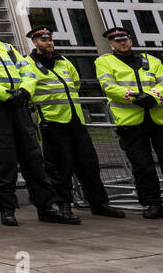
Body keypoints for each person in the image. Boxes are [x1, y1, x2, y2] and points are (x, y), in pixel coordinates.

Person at [0, 12, 77, 226]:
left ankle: (46, 206)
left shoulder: (7, 47)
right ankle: (7, 208)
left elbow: (28, 71)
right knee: (3, 158)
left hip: (19, 105)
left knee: (33, 156)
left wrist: (24, 91)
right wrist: (6, 94)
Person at [95, 26, 163, 221]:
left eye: (125, 39)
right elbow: (109, 87)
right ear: (111, 43)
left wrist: (153, 97)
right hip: (131, 123)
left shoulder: (151, 60)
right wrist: (135, 97)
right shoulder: (103, 62)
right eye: (117, 40)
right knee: (142, 166)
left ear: (130, 40)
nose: (123, 42)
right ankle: (153, 204)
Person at [26, 26, 124, 220]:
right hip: (52, 121)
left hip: (75, 120)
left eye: (50, 39)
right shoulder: (27, 64)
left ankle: (98, 203)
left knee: (88, 163)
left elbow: (76, 83)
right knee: (59, 167)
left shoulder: (63, 61)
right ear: (35, 42)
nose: (49, 43)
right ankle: (64, 206)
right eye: (44, 40)